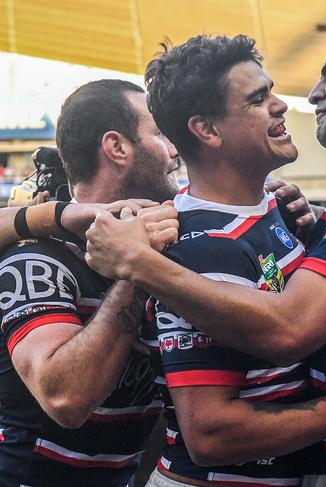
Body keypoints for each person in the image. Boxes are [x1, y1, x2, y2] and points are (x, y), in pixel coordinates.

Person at [84, 20, 326, 486]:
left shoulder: (288, 215)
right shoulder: (195, 242)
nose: (292, 102)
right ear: (206, 130)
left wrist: (320, 226)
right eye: (258, 99)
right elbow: (210, 434)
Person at [0, 79, 180, 487]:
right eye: (160, 134)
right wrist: (137, 266)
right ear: (117, 146)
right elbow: (66, 397)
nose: (174, 149)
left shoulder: (178, 238)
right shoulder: (38, 258)